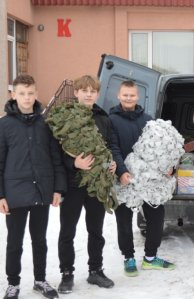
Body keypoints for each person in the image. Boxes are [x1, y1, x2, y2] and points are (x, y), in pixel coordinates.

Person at [0, 75, 67, 299]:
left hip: (42, 191)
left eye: (30, 93)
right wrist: (0, 194)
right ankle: (13, 284)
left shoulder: (46, 123)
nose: (26, 98)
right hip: (15, 194)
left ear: (37, 94)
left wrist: (58, 189)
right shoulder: (4, 125)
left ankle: (40, 280)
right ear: (13, 95)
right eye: (22, 94)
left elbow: (55, 158)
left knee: (39, 239)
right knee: (14, 241)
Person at [57, 75, 117, 294]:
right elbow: (55, 152)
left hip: (96, 184)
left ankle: (95, 271)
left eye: (93, 91)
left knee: (96, 230)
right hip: (73, 184)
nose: (89, 94)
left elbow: (109, 145)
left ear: (97, 94)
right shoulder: (64, 117)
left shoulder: (103, 118)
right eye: (84, 90)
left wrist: (111, 164)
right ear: (76, 92)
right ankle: (66, 273)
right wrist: (74, 162)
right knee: (67, 231)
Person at [109, 80, 175, 277]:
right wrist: (121, 172)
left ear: (138, 97)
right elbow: (113, 147)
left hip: (149, 181)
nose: (128, 98)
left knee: (156, 216)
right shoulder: (111, 120)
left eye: (132, 95)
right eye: (125, 95)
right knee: (124, 219)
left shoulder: (148, 119)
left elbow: (162, 148)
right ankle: (128, 258)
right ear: (118, 96)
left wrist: (170, 167)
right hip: (125, 179)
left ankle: (150, 258)